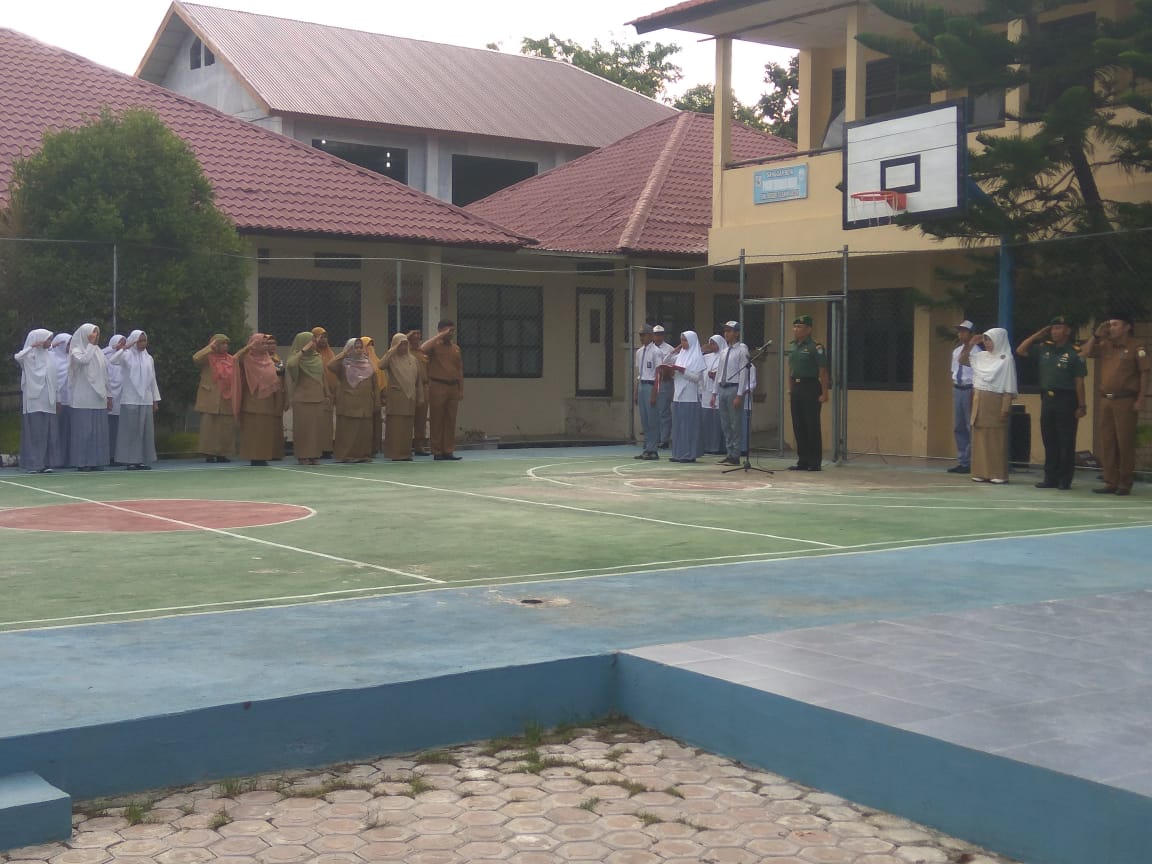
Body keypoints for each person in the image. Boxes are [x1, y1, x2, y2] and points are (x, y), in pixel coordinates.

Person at [1080, 313, 1151, 495]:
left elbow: (1144, 372)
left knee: (1124, 442)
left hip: (1126, 399)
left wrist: (1141, 397)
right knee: (1107, 442)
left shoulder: (1136, 346)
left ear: (1127, 327)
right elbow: (1084, 353)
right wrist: (1096, 335)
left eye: (1115, 324)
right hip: (1106, 399)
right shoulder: (1105, 345)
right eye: (1110, 325)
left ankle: (1124, 483)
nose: (1111, 328)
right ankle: (1110, 481)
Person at [1016, 317, 1086, 490]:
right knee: (1049, 439)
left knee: (1066, 441)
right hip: (1047, 399)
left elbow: (1079, 382)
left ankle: (1064, 479)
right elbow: (1021, 350)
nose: (1055, 332)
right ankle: (1050, 477)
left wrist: (1082, 405)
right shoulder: (1044, 348)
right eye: (1053, 328)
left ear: (1067, 331)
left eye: (1059, 328)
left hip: (1067, 399)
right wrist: (1037, 335)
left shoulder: (1074, 352)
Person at [961, 327, 1017, 484]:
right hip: (979, 400)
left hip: (996, 402)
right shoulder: (980, 356)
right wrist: (971, 344)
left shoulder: (1006, 359)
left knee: (995, 438)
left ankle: (997, 473)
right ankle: (980, 471)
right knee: (979, 437)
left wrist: (1005, 408)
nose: (987, 343)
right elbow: (962, 360)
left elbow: (1009, 386)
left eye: (990, 339)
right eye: (985, 339)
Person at [108, 330, 161, 470]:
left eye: (145, 341)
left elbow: (152, 380)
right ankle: (130, 460)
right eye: (140, 341)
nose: (143, 344)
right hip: (130, 399)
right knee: (130, 431)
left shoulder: (149, 358)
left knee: (144, 431)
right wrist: (125, 347)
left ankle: (141, 460)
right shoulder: (126, 356)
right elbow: (112, 360)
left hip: (145, 399)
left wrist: (155, 400)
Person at [235, 333, 285, 467]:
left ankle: (263, 456)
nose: (266, 346)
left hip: (268, 400)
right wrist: (248, 347)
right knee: (253, 431)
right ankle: (254, 457)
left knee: (265, 431)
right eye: (262, 343)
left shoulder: (268, 360)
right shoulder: (247, 358)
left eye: (266, 344)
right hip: (252, 401)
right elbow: (234, 359)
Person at [67, 322, 111, 472]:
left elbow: (105, 374)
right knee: (83, 432)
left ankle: (95, 461)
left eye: (97, 334)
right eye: (93, 334)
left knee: (97, 433)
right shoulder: (76, 350)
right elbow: (83, 361)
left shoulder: (98, 351)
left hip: (98, 397)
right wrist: (91, 345)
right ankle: (82, 462)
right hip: (82, 399)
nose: (96, 337)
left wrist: (108, 395)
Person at [787, 315, 829, 471]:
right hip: (797, 387)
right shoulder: (793, 346)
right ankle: (802, 460)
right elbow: (791, 370)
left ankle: (814, 461)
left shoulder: (815, 347)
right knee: (798, 425)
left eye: (800, 327)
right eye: (795, 326)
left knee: (811, 424)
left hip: (810, 386)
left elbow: (823, 371)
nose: (796, 329)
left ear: (808, 329)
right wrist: (790, 389)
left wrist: (824, 393)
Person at [14, 328, 57, 473]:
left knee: (47, 433)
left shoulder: (50, 356)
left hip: (48, 400)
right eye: (47, 339)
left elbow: (54, 378)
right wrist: (32, 346)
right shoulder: (29, 355)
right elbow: (18, 357)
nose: (49, 342)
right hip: (34, 400)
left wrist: (57, 397)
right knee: (35, 433)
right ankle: (33, 464)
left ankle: (46, 463)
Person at [327, 337, 377, 463]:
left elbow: (374, 384)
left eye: (361, 347)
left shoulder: (368, 363)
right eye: (355, 347)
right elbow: (330, 365)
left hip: (365, 402)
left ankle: (363, 455)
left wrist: (376, 400)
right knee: (349, 431)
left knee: (364, 431)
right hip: (348, 401)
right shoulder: (344, 364)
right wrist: (344, 353)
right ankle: (346, 455)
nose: (359, 350)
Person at [421, 320, 464, 461]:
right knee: (437, 419)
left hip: (453, 386)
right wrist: (439, 336)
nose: (450, 334)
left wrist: (460, 389)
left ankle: (448, 450)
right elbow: (422, 348)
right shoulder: (434, 346)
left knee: (450, 419)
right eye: (447, 331)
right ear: (440, 330)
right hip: (438, 385)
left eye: (452, 331)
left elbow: (459, 370)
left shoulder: (455, 348)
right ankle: (437, 451)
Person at [286, 331, 331, 465]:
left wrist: (327, 393)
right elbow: (291, 365)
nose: (314, 344)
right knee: (303, 428)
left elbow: (323, 376)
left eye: (314, 341)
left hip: (318, 397)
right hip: (303, 398)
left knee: (316, 429)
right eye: (311, 341)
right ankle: (302, 455)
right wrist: (303, 350)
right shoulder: (297, 358)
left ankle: (314, 454)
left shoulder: (317, 357)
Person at [380, 332, 425, 461]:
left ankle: (405, 453)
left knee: (407, 426)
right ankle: (394, 453)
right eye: (401, 345)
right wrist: (391, 351)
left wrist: (420, 396)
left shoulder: (413, 360)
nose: (404, 348)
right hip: (397, 396)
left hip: (410, 397)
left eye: (406, 345)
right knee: (395, 426)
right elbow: (380, 365)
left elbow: (418, 381)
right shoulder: (391, 358)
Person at [193, 334, 237, 464]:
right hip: (210, 395)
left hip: (227, 396)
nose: (225, 346)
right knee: (209, 427)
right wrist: (210, 347)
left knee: (226, 427)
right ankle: (209, 454)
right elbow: (195, 358)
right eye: (222, 344)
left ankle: (223, 454)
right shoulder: (207, 358)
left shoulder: (231, 359)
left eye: (226, 344)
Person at [665, 330, 706, 463]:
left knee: (688, 426)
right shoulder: (681, 354)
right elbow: (666, 360)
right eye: (681, 340)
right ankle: (678, 453)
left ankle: (689, 454)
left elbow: (696, 378)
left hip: (690, 395)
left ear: (692, 341)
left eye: (685, 340)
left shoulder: (697, 357)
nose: (683, 343)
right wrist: (675, 350)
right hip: (678, 394)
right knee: (678, 426)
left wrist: (683, 371)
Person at [947, 320, 980, 474]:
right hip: (957, 388)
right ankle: (962, 460)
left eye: (964, 331)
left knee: (970, 426)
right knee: (958, 426)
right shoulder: (956, 351)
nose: (961, 334)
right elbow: (954, 371)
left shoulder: (978, 352)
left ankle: (972, 460)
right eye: (959, 331)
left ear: (972, 334)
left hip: (970, 389)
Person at [716, 321, 750, 466]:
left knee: (735, 423)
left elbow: (743, 373)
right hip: (723, 388)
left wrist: (739, 394)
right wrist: (715, 392)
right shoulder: (724, 351)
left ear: (737, 333)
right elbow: (719, 372)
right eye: (725, 331)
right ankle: (729, 452)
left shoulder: (742, 349)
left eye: (730, 331)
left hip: (734, 388)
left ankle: (736, 454)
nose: (727, 333)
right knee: (725, 423)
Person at [633, 324, 660, 460]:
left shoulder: (656, 352)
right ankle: (647, 448)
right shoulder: (639, 352)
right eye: (640, 335)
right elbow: (640, 373)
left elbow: (658, 374)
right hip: (642, 384)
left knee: (652, 419)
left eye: (643, 335)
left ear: (650, 335)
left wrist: (655, 392)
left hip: (651, 385)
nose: (641, 338)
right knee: (644, 419)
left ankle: (653, 449)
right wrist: (636, 391)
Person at [310, 326, 338, 456]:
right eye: (321, 337)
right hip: (316, 392)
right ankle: (317, 448)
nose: (324, 340)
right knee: (317, 422)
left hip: (330, 393)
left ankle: (327, 448)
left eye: (326, 337)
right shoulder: (312, 354)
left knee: (327, 422)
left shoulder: (330, 353)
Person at [360, 335, 387, 455]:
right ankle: (365, 448)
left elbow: (382, 379)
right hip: (363, 397)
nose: (370, 348)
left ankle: (375, 447)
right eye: (367, 345)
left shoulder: (377, 361)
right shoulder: (359, 362)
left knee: (376, 423)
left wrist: (382, 395)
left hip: (377, 396)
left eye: (372, 345)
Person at [700, 334, 725, 457]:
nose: (712, 346)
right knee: (707, 419)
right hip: (706, 392)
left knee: (717, 421)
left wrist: (715, 376)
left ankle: (717, 447)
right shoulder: (707, 357)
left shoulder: (724, 356)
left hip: (718, 392)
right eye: (710, 343)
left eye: (714, 343)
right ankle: (707, 446)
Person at [48, 333, 71, 468]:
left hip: (71, 401)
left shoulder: (72, 358)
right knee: (56, 432)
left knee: (68, 432)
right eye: (68, 344)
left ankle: (67, 459)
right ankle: (56, 460)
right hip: (57, 401)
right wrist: (51, 346)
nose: (70, 347)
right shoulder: (53, 358)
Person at [407, 330, 431, 456]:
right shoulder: (405, 352)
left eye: (418, 338)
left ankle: (419, 446)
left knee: (421, 419)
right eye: (413, 338)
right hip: (410, 387)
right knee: (408, 417)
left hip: (424, 386)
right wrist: (406, 338)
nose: (416, 340)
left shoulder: (422, 353)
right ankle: (405, 445)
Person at [651, 325, 675, 448]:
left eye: (660, 334)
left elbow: (672, 369)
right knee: (652, 412)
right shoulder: (649, 348)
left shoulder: (669, 349)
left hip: (665, 382)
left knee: (664, 411)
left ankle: (664, 439)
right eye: (656, 334)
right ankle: (654, 438)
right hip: (652, 383)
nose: (658, 337)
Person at [103, 333, 125, 465]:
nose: (123, 346)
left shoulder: (125, 358)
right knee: (109, 430)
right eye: (120, 343)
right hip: (110, 399)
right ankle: (109, 456)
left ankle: (118, 456)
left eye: (124, 343)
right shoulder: (106, 358)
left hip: (122, 400)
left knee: (119, 431)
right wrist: (112, 348)